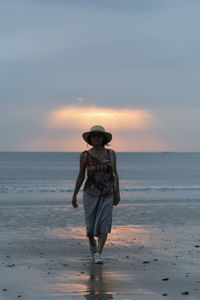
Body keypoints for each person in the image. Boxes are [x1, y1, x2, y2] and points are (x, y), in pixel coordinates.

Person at [72, 125, 120, 264]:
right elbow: (81, 176)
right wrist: (74, 195)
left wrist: (117, 193)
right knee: (91, 226)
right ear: (90, 139)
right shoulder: (85, 155)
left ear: (103, 138)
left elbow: (115, 174)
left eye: (99, 136)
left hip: (107, 193)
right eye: (94, 137)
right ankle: (92, 244)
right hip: (90, 193)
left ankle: (98, 253)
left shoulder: (111, 153)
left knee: (104, 223)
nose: (97, 139)